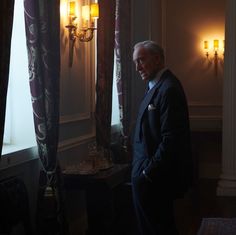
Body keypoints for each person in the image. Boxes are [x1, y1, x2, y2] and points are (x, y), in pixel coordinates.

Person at [131, 40, 193, 235]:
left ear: (157, 59)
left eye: (141, 60)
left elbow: (171, 139)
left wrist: (147, 173)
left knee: (158, 228)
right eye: (135, 62)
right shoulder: (155, 85)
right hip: (146, 173)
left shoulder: (169, 89)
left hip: (154, 177)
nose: (137, 67)